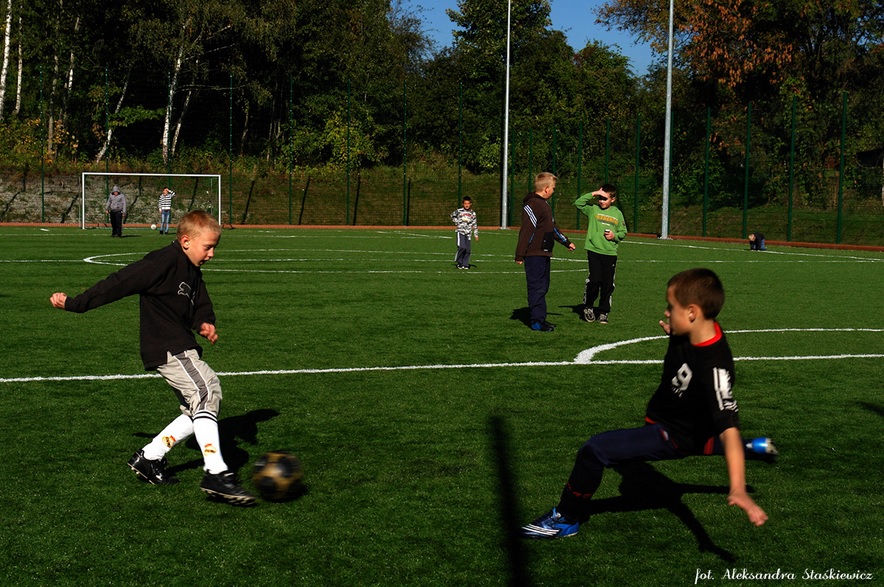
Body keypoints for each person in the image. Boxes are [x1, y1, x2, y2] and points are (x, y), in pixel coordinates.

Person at [521, 268, 773, 539]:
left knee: (594, 451)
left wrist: (737, 488)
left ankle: (567, 517)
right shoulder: (698, 328)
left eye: (671, 307)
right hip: (678, 419)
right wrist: (675, 333)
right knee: (698, 440)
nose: (666, 312)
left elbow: (728, 426)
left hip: (671, 433)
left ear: (692, 312)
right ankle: (753, 447)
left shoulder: (715, 368)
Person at [49, 210, 255, 506]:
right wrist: (77, 303)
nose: (211, 254)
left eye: (214, 248)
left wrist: (204, 322)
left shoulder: (192, 271)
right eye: (208, 247)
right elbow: (120, 282)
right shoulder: (163, 261)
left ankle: (149, 457)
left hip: (179, 344)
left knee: (196, 408)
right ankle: (216, 472)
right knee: (206, 391)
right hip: (167, 345)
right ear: (186, 241)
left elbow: (200, 303)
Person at [515, 172, 576, 332]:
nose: (554, 191)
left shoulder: (544, 205)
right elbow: (527, 230)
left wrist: (566, 242)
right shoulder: (533, 205)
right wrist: (520, 254)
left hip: (544, 252)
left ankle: (540, 318)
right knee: (536, 287)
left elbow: (552, 228)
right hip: (534, 253)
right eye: (553, 188)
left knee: (543, 287)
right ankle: (536, 322)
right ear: (546, 188)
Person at [574, 184, 627, 325]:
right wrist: (594, 193)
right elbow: (578, 203)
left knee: (607, 283)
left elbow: (623, 232)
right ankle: (588, 307)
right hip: (594, 250)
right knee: (595, 279)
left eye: (605, 198)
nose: (601, 201)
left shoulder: (617, 213)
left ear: (613, 199)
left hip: (610, 253)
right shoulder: (593, 210)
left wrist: (614, 236)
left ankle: (603, 312)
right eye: (600, 198)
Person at [450, 196, 479, 269]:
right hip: (460, 231)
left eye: (468, 203)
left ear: (470, 204)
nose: (467, 205)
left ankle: (465, 264)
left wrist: (476, 234)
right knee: (462, 247)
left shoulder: (473, 213)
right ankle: (459, 262)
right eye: (465, 203)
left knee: (468, 250)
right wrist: (458, 221)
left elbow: (475, 224)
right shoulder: (459, 211)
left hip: (468, 233)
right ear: (463, 204)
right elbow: (452, 216)